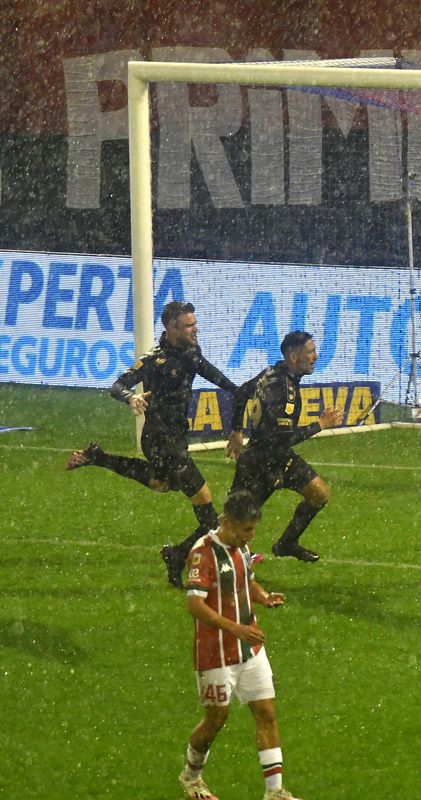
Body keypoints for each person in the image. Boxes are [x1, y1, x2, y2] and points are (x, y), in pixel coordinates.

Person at [66, 301, 245, 588]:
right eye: (189, 325)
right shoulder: (155, 358)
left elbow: (213, 374)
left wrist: (239, 390)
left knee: (160, 483)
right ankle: (188, 558)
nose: (195, 329)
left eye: (194, 323)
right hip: (161, 441)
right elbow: (117, 385)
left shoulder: (191, 352)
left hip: (175, 439)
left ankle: (99, 457)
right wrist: (131, 397)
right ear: (172, 328)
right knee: (209, 513)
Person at [178, 490, 303, 800]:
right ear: (228, 523)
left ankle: (275, 793)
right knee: (216, 720)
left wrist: (262, 596)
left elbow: (245, 579)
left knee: (266, 712)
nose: (252, 535)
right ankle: (191, 778)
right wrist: (236, 628)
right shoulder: (202, 553)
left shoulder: (241, 547)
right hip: (215, 654)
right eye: (246, 529)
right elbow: (195, 605)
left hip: (249, 650)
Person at [226, 331, 343, 563]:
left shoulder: (272, 371)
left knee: (319, 494)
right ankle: (183, 554)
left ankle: (286, 543)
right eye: (310, 352)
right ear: (293, 357)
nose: (316, 356)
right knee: (234, 522)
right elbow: (285, 439)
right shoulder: (285, 392)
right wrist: (321, 424)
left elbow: (241, 394)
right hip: (261, 462)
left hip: (278, 458)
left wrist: (236, 431)